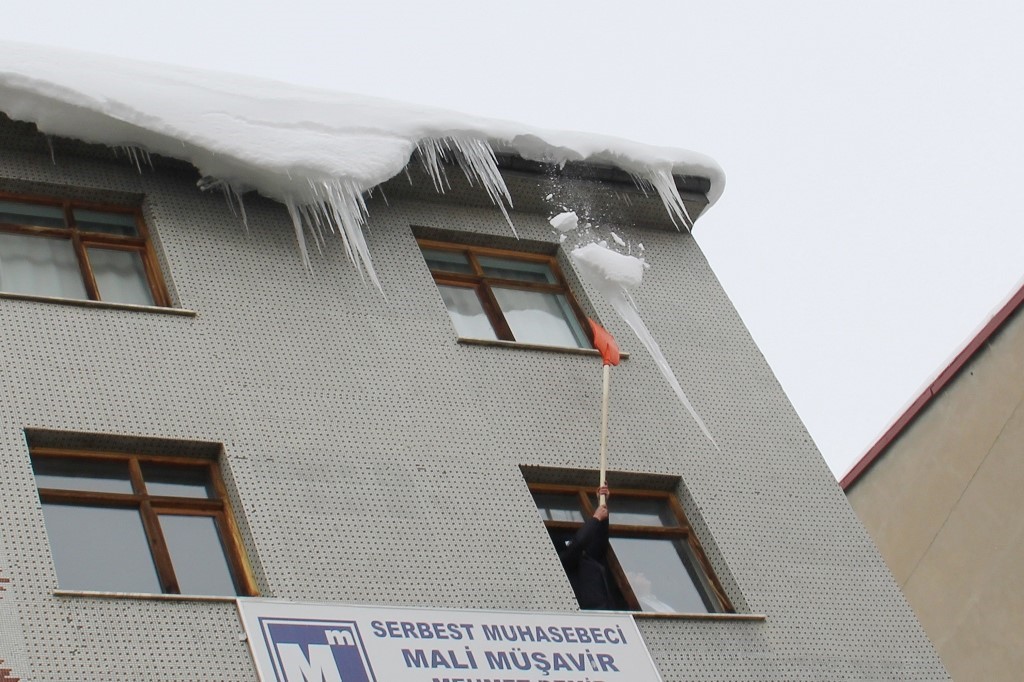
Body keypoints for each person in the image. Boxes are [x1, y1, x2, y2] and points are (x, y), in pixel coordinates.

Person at [558, 484, 615, 610]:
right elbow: (578, 545)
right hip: (586, 617)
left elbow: (600, 540)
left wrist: (602, 503)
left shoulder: (590, 560)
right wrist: (596, 518)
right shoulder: (565, 562)